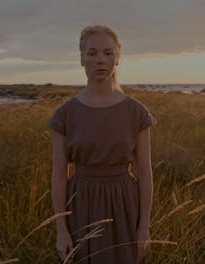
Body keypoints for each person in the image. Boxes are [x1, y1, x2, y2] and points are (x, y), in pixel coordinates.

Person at [46, 24, 157, 263]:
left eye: (108, 53)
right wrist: (61, 229)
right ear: (82, 58)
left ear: (118, 58)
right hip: (80, 204)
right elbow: (58, 174)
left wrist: (144, 227)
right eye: (92, 53)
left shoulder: (137, 112)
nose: (100, 60)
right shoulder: (64, 115)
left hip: (124, 206)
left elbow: (145, 173)